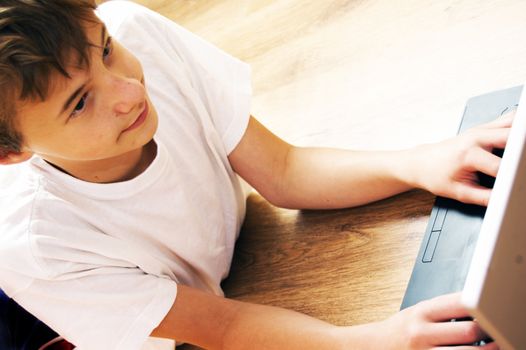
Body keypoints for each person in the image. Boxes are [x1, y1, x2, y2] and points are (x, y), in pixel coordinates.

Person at [0, 0, 511, 349]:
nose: (129, 92)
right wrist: (370, 339)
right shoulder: (37, 247)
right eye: (81, 103)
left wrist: (417, 161)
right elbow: (221, 327)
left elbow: (284, 171)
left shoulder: (134, 28)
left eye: (106, 49)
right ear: (12, 151)